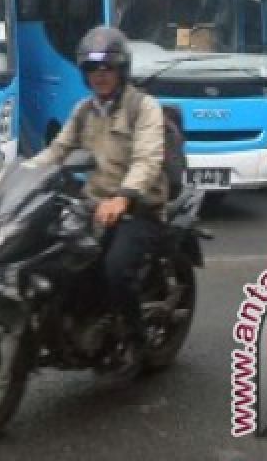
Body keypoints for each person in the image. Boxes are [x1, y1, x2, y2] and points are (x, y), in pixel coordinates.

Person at [31, 26, 168, 382]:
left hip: (140, 207)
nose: (100, 75)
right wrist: (19, 174)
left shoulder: (144, 108)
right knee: (53, 256)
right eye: (93, 69)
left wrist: (124, 196)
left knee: (115, 270)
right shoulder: (83, 110)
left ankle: (136, 343)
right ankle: (73, 323)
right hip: (95, 203)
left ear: (122, 70)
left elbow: (148, 160)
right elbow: (58, 150)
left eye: (108, 67)